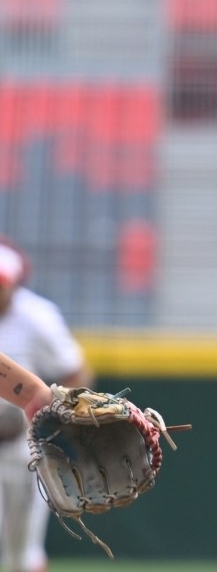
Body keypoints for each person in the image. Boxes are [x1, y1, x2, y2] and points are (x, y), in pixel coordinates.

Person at [0, 240, 92, 572]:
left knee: (22, 554)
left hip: (20, 447)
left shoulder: (36, 317)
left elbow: (75, 370)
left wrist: (69, 414)